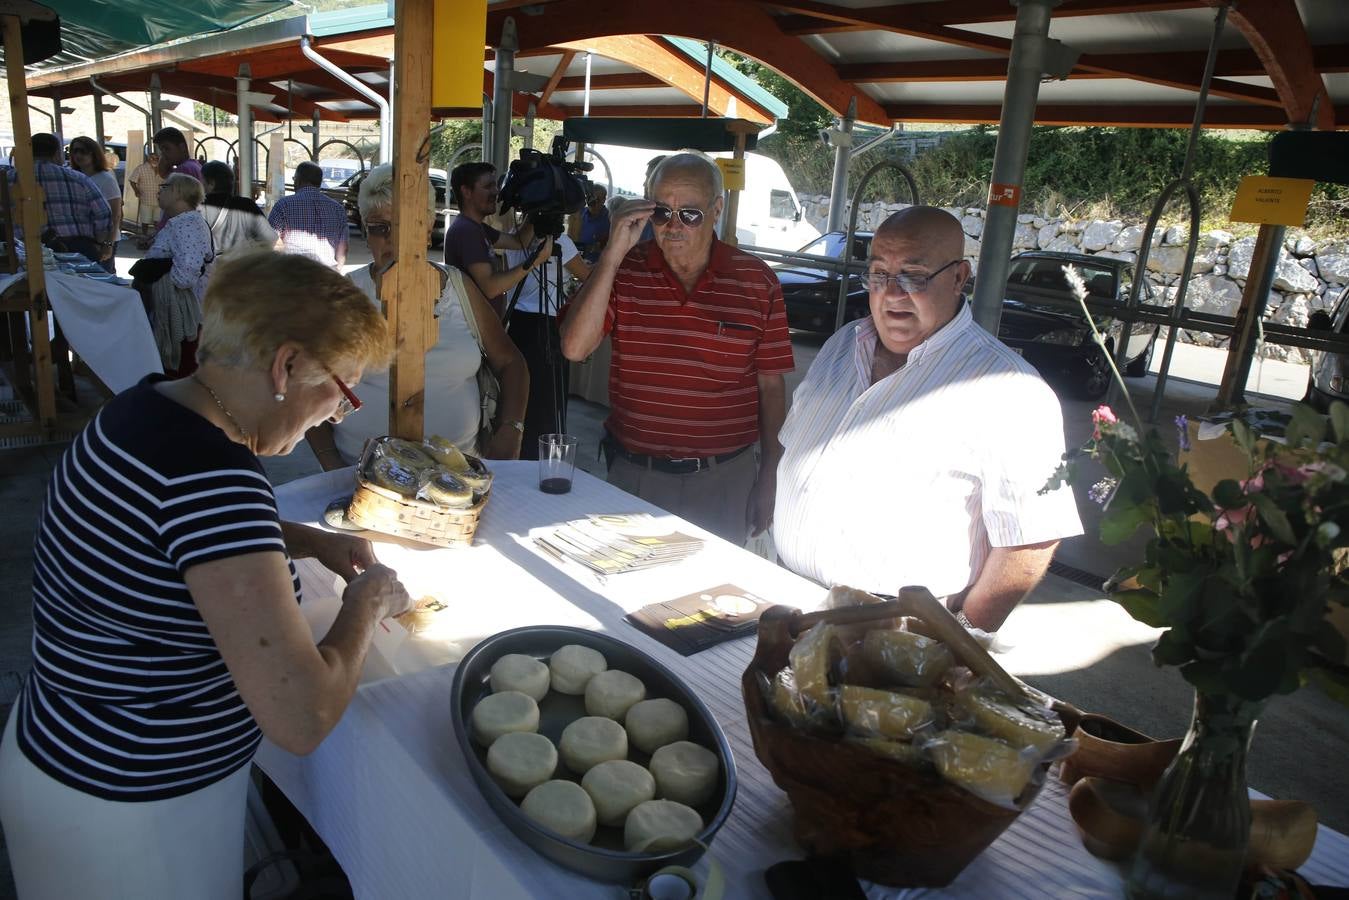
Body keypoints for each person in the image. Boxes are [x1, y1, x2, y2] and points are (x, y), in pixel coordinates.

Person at [0, 251, 413, 898]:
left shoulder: (145, 408)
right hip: (132, 812)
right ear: (288, 365)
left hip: (65, 754)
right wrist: (365, 600)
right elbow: (300, 718)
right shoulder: (216, 479)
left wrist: (305, 540)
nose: (337, 416)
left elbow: (157, 540)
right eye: (344, 391)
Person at [772, 207, 1084, 631]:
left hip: (897, 627)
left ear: (959, 278)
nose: (893, 293)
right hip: (786, 591)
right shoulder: (843, 345)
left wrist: (961, 639)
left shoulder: (1011, 390)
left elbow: (1031, 538)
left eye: (914, 276)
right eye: (879, 274)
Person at [560, 153, 793, 545]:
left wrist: (770, 474)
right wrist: (613, 255)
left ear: (716, 209)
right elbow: (574, 348)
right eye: (662, 212)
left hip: (722, 478)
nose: (673, 226)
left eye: (690, 214)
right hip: (634, 474)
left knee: (714, 600)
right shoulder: (625, 270)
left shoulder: (756, 281)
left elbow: (771, 387)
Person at [305, 163, 528, 469]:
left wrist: (510, 431)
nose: (394, 242)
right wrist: (330, 464)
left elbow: (512, 362)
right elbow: (306, 381)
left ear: (427, 227)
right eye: (380, 228)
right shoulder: (343, 296)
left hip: (457, 480)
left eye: (406, 227)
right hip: (361, 480)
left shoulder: (459, 287)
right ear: (365, 232)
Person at [502, 232, 589, 458]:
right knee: (549, 403)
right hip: (548, 324)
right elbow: (588, 277)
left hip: (518, 323)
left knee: (521, 398)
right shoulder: (558, 241)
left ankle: (521, 453)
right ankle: (545, 457)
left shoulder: (514, 238)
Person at [443, 161, 550, 316]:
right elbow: (491, 287)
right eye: (488, 187)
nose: (496, 191)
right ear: (466, 192)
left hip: (482, 326)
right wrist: (534, 262)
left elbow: (518, 241)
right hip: (474, 330)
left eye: (495, 186)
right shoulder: (466, 231)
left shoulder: (476, 227)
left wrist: (537, 209)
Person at [139, 172, 214, 376]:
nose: (159, 191)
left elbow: (186, 275)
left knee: (182, 369)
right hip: (176, 311)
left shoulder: (188, 224)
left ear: (179, 193)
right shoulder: (180, 222)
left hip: (183, 315)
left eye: (165, 187)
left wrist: (159, 279)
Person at [5, 132, 111, 264]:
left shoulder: (9, 179)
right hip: (76, 247)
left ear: (27, 151)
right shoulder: (78, 178)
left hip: (25, 250)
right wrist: (100, 241)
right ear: (56, 153)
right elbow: (103, 212)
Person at [267, 161, 349, 269]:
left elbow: (272, 239)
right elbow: (343, 246)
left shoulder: (283, 205)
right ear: (319, 182)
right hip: (327, 273)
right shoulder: (338, 208)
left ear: (298, 180)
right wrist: (337, 270)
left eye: (294, 179)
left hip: (293, 271)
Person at [200, 160, 278, 259]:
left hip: (211, 271)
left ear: (211, 183)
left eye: (201, 180)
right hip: (241, 268)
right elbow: (270, 238)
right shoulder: (246, 205)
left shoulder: (196, 208)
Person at [66, 135, 122, 272]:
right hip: (81, 238)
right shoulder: (72, 176)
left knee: (102, 279)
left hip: (103, 239)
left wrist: (108, 244)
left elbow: (116, 214)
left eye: (83, 151)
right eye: (74, 151)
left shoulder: (105, 178)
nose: (78, 155)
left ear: (93, 153)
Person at [152, 127, 202, 230]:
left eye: (167, 149)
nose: (164, 155)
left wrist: (157, 234)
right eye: (161, 151)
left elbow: (172, 205)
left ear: (182, 147)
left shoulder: (183, 170)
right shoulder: (193, 166)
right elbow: (163, 173)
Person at [130, 150, 163, 247]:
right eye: (152, 158)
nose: (155, 160)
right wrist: (136, 190)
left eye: (156, 158)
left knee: (158, 220)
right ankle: (144, 237)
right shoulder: (141, 168)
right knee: (145, 220)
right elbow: (132, 180)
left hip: (159, 200)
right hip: (146, 198)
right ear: (148, 159)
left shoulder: (162, 169)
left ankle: (157, 237)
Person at [577, 184, 610, 264]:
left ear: (604, 200)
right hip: (578, 262)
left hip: (598, 265)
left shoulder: (610, 218)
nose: (594, 203)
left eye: (598, 200)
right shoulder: (578, 215)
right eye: (591, 199)